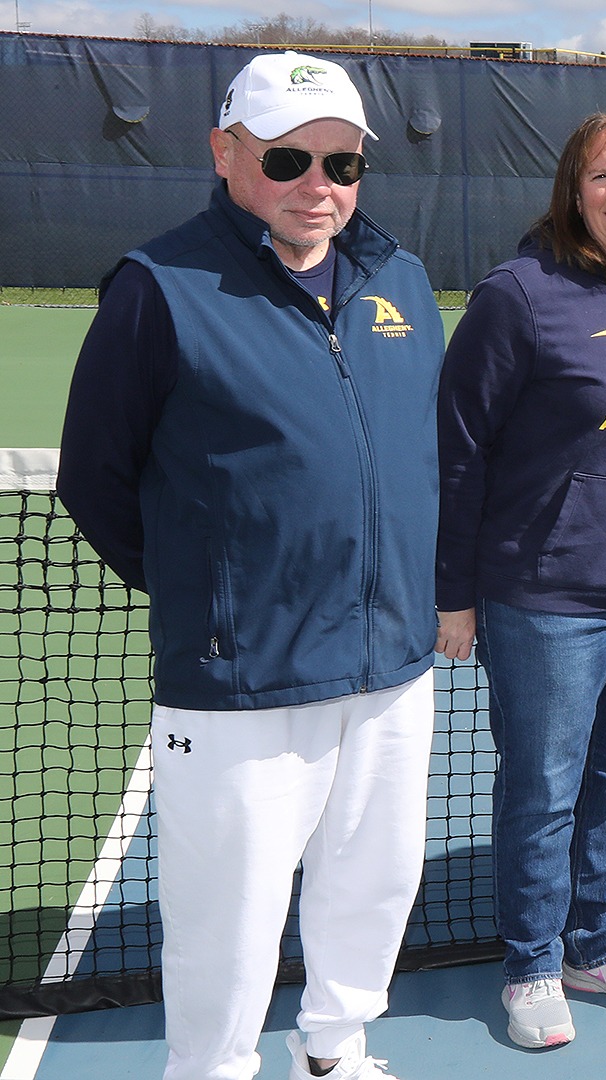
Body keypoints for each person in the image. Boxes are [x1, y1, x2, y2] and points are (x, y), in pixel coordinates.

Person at [56, 51, 441, 1080]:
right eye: (288, 157)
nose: (319, 184)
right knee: (226, 925)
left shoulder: (399, 277)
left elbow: (413, 456)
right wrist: (218, 594)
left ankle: (335, 1050)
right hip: (242, 679)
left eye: (344, 164)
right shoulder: (158, 288)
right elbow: (96, 480)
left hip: (394, 665)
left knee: (372, 887)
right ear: (225, 151)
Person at [435, 106, 606, 1049]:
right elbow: (461, 449)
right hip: (545, 594)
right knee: (544, 786)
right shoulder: (518, 292)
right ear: (572, 191)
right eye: (601, 176)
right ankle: (532, 963)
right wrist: (454, 592)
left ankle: (597, 940)